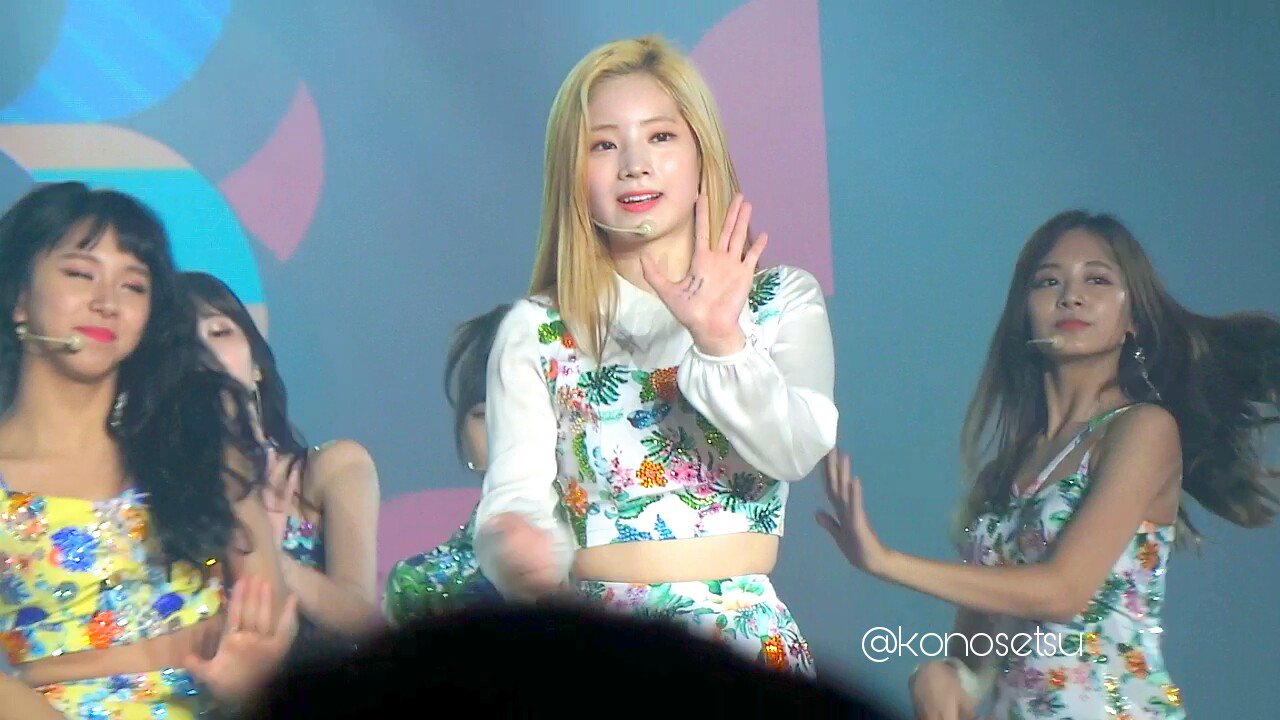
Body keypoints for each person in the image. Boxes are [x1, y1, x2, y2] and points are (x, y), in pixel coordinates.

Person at [817, 210, 1280, 718]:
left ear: (1133, 318)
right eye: (1048, 281)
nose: (1071, 296)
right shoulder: (1003, 473)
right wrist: (942, 675)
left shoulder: (1142, 429)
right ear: (1024, 312)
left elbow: (1063, 590)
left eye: (1097, 279)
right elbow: (977, 653)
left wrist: (886, 561)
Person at [472, 35, 838, 676]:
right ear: (571, 174)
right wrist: (517, 549)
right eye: (603, 145)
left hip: (744, 640)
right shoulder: (537, 329)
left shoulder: (783, 298)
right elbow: (514, 503)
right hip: (601, 646)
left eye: (661, 136)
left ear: (702, 154)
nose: (635, 165)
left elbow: (797, 449)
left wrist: (720, 341)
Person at [0, 182, 297, 719]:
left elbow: (267, 615)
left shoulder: (194, 444)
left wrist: (248, 678)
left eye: (133, 286)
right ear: (19, 298)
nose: (107, 303)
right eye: (80, 274)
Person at [179, 271, 385, 651]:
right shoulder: (158, 493)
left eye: (219, 332)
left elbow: (362, 619)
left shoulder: (331, 468)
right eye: (181, 342)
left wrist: (261, 556)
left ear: (257, 364)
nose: (202, 350)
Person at [382, 304, 510, 625]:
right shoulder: (419, 586)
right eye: (483, 415)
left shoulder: (618, 558)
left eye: (524, 410)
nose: (506, 432)